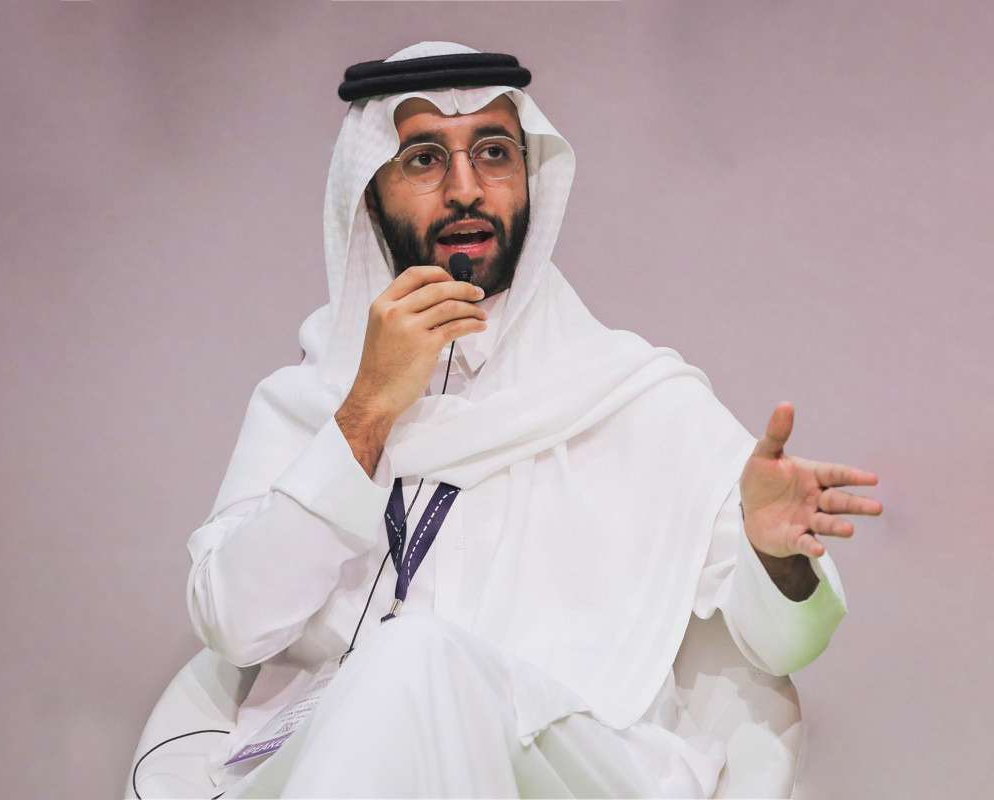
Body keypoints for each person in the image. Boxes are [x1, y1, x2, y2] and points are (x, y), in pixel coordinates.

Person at [184, 41, 883, 798]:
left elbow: (783, 647)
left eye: (494, 153)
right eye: (423, 159)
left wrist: (774, 554)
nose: (465, 189)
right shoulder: (314, 398)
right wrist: (369, 409)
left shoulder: (634, 395)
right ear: (370, 194)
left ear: (529, 176)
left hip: (571, 764)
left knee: (413, 654)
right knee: (400, 670)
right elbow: (236, 625)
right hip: (353, 749)